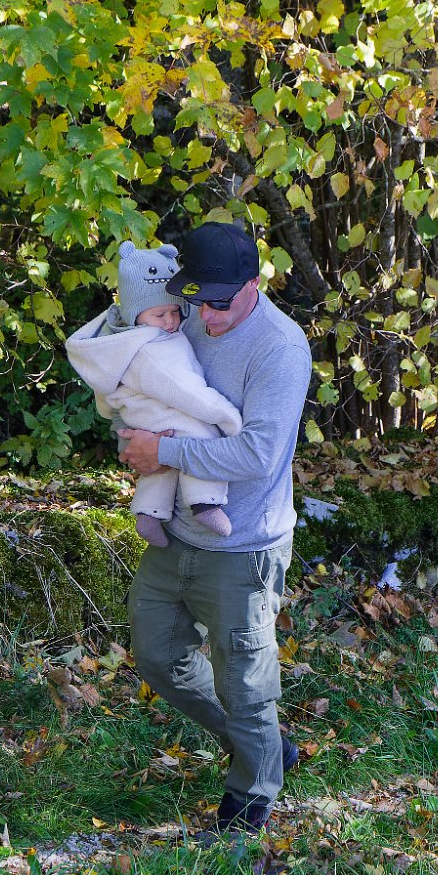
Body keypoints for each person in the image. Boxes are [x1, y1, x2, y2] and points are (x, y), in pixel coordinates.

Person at [116, 222, 313, 834]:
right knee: (156, 654)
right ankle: (264, 749)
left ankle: (249, 804)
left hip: (244, 545)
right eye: (194, 300)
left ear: (254, 285)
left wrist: (163, 452)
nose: (204, 316)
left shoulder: (281, 348)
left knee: (245, 684)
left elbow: (258, 455)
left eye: (219, 304)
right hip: (175, 532)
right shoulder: (189, 315)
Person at [66, 242, 243, 549]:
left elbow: (104, 393)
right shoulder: (154, 349)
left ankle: (148, 513)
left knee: (161, 456)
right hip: (161, 411)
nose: (170, 321)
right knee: (200, 433)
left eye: (175, 311)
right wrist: (229, 419)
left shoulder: (117, 340)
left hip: (139, 416)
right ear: (135, 314)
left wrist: (117, 421)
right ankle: (205, 502)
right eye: (160, 314)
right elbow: (187, 391)